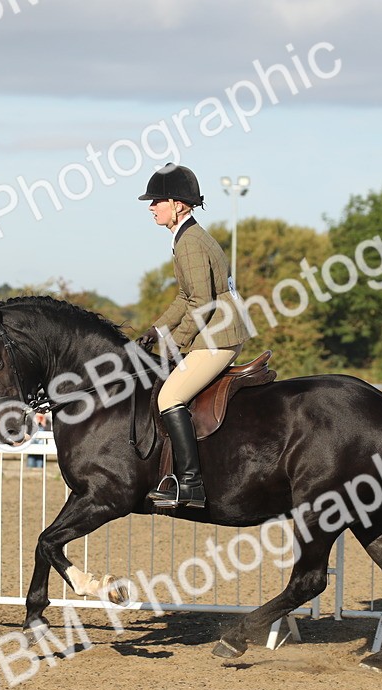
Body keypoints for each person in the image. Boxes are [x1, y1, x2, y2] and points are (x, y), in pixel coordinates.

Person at [135, 163, 249, 509]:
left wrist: (176, 343)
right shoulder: (185, 237)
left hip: (220, 334)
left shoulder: (191, 243)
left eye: (157, 201)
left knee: (168, 398)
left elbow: (201, 301)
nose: (151, 207)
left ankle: (191, 485)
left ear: (178, 205)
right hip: (216, 328)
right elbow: (185, 298)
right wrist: (156, 330)